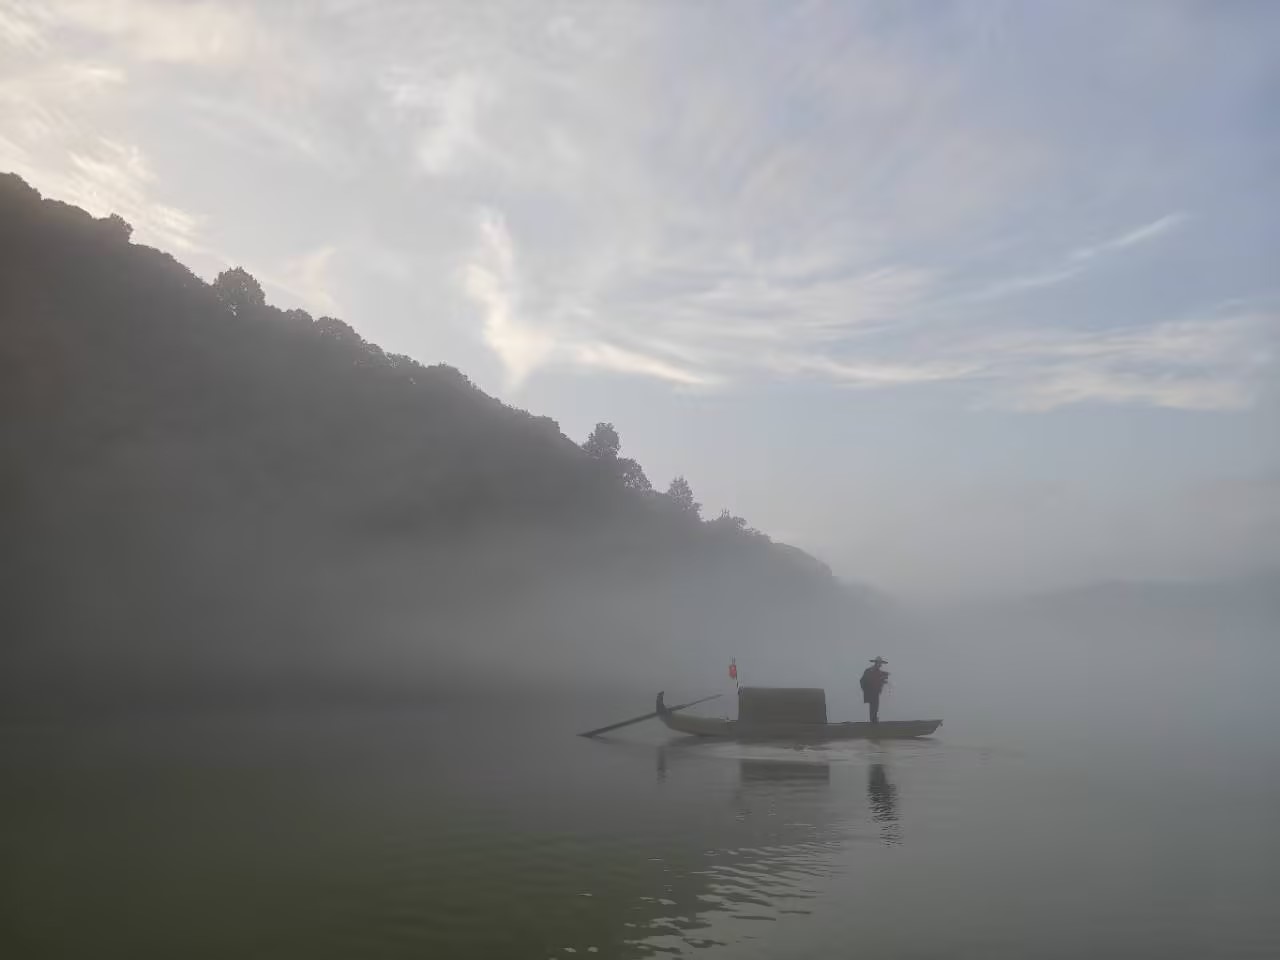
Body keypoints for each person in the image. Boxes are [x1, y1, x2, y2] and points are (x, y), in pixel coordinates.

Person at [860, 657, 890, 722]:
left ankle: (874, 719)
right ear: (876, 663)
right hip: (871, 691)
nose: (880, 665)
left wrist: (883, 679)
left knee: (875, 706)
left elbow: (879, 680)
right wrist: (866, 689)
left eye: (880, 663)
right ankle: (873, 719)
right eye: (879, 663)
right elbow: (863, 680)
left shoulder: (877, 671)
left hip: (875, 691)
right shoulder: (869, 671)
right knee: (874, 705)